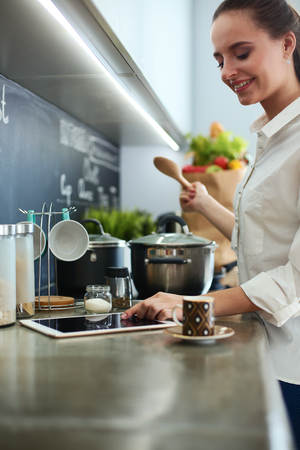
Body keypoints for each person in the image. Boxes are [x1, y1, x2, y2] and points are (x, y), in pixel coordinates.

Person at [122, 0, 300, 446]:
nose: (226, 71)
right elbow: (261, 239)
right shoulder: (270, 138)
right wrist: (205, 205)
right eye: (220, 59)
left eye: (241, 53)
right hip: (272, 348)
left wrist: (194, 304)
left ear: (287, 44)